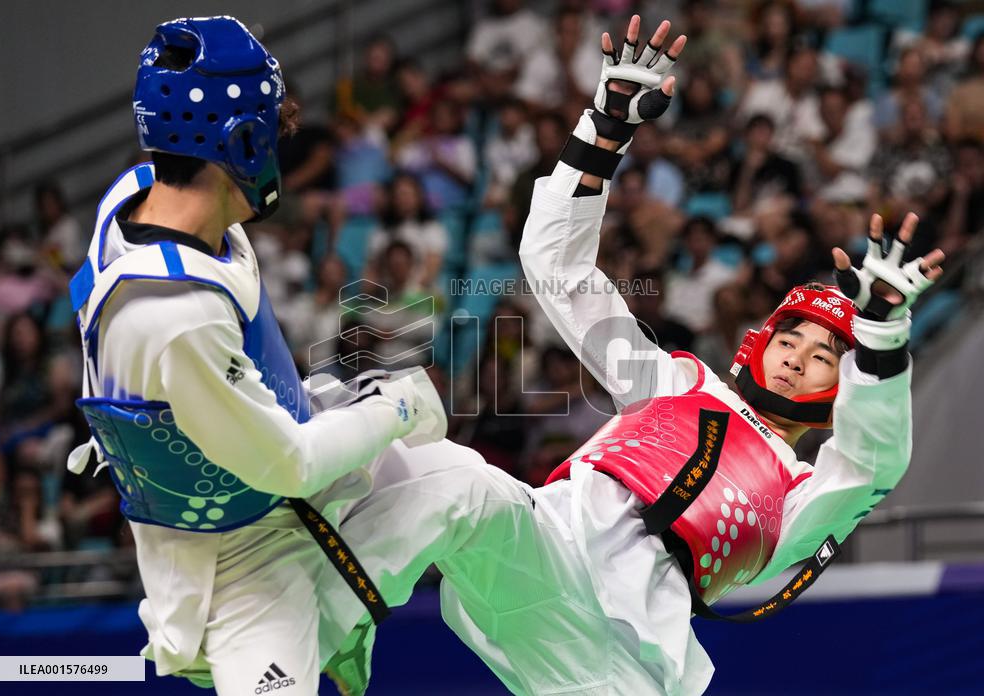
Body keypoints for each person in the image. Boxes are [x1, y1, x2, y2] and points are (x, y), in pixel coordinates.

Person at [339, 15, 945, 694]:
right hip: (541, 552)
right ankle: (333, 613)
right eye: (789, 338)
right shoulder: (674, 382)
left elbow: (873, 462)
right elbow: (558, 270)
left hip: (621, 657)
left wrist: (884, 335)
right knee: (449, 475)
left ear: (843, 393)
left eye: (826, 356)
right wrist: (604, 128)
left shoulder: (804, 495)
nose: (799, 358)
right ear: (756, 344)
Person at [64, 17, 455, 694]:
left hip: (277, 459)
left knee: (479, 494)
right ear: (241, 143)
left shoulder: (135, 197)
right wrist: (396, 401)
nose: (281, 142)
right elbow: (291, 464)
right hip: (239, 550)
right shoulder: (177, 316)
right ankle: (337, 617)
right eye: (271, 128)